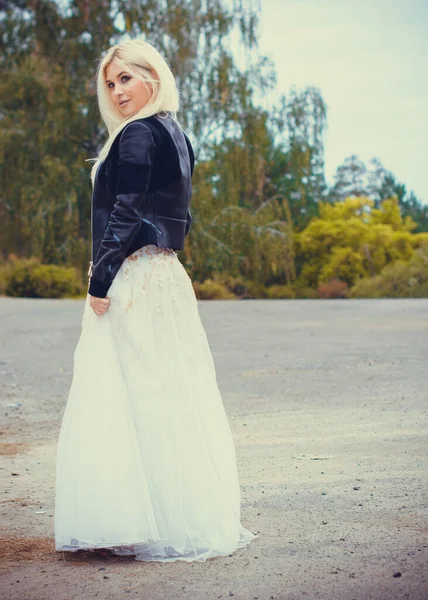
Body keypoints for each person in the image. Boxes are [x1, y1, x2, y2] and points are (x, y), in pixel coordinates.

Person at [54, 38, 258, 563]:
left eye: (127, 78)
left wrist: (100, 279)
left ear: (153, 75)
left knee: (123, 393)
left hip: (133, 273)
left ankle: (130, 520)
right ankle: (171, 517)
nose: (118, 91)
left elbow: (125, 211)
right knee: (164, 393)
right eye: (111, 83)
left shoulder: (140, 134)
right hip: (165, 275)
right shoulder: (176, 133)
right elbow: (175, 214)